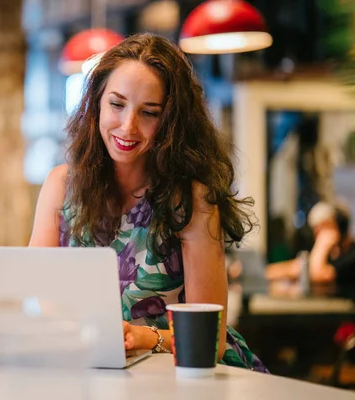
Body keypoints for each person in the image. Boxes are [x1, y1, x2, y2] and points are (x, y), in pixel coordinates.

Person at [29, 33, 267, 372]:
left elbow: (211, 340)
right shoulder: (61, 186)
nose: (128, 127)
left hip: (191, 376)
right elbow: (36, 295)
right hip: (98, 373)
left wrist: (145, 338)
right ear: (96, 102)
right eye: (117, 104)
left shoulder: (191, 200)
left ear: (171, 123)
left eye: (149, 113)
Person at [266, 201, 355, 285]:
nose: (317, 236)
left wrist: (323, 243)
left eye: (323, 228)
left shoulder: (351, 255)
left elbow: (315, 275)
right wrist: (264, 273)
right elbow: (299, 267)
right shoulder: (333, 253)